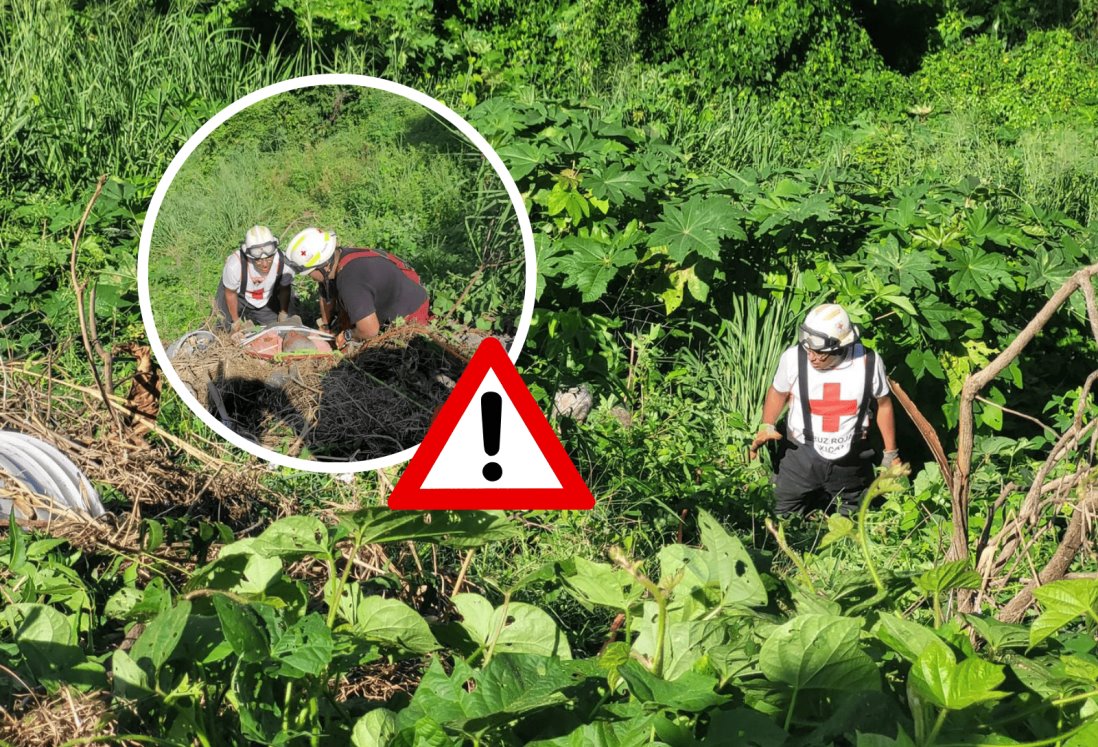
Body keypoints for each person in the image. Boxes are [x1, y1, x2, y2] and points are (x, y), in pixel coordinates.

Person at [749, 303, 900, 515]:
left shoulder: (868, 362)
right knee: (780, 514)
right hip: (800, 453)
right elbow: (778, 391)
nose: (811, 357)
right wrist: (767, 424)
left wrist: (890, 453)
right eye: (808, 349)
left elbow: (884, 404)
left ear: (841, 347)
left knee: (856, 519)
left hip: (851, 459)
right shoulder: (793, 358)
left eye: (820, 352)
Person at [284, 227, 430, 347]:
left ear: (324, 266)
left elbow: (370, 330)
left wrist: (348, 335)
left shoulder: (350, 282)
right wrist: (327, 326)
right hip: (397, 294)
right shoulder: (339, 257)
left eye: (310, 273)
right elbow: (325, 292)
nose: (310, 277)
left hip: (411, 314)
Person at [214, 225, 294, 332]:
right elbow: (230, 293)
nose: (265, 264)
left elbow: (285, 289)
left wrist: (283, 312)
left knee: (278, 331)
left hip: (266, 299)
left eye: (269, 258)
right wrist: (235, 320)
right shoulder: (235, 265)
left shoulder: (284, 263)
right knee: (223, 327)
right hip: (239, 297)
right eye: (258, 260)